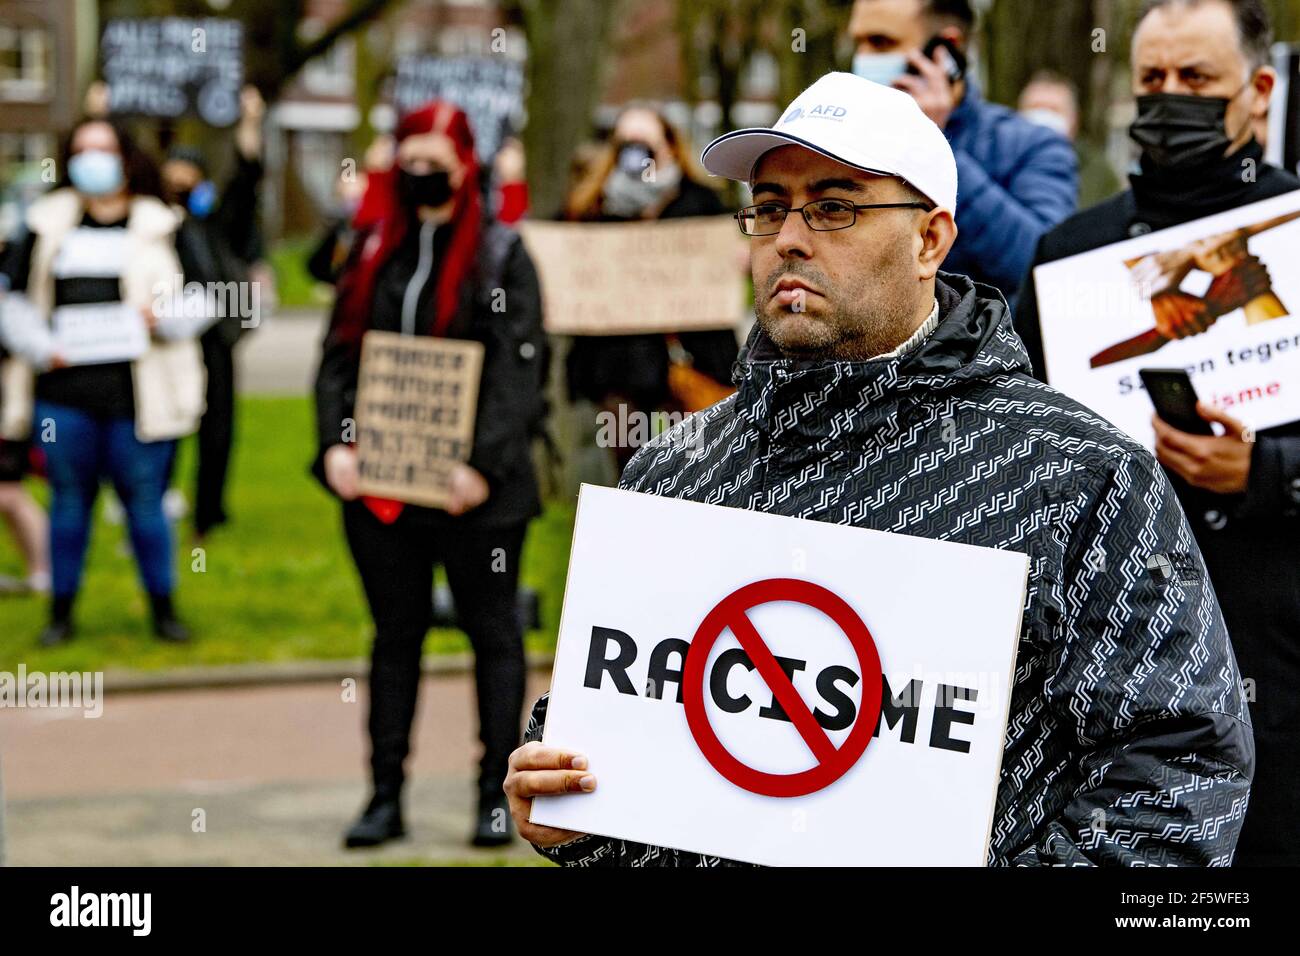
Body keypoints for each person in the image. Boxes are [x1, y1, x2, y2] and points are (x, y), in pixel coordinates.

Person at [506, 71, 1254, 867]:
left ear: (929, 240)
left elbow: (1179, 767)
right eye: (768, 208)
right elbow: (638, 772)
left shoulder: (1082, 476)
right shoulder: (676, 474)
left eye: (834, 207)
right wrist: (581, 816)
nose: (790, 237)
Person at [1014, 0, 1299, 866]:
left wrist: (1266, 471)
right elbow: (1016, 439)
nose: (1170, 97)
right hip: (1111, 652)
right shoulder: (1069, 255)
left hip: (1277, 642)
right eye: (1153, 81)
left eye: (1197, 80)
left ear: (1258, 90)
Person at [313, 100, 547, 849]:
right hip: (382, 490)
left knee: (494, 634)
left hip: (479, 496)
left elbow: (522, 369)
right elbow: (338, 357)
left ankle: (492, 795)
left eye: (431, 162)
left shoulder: (501, 254)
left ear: (463, 166)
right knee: (394, 637)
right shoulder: (372, 244)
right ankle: (384, 795)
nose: (417, 174)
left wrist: (480, 465)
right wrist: (334, 448)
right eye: (403, 160)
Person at [0, 118, 211, 645]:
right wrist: (41, 346)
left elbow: (207, 295)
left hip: (140, 397)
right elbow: (15, 300)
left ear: (126, 159)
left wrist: (163, 319)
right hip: (63, 397)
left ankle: (163, 609)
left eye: (103, 150)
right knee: (69, 503)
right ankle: (61, 612)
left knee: (146, 502)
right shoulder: (45, 224)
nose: (91, 161)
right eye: (81, 151)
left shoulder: (164, 223)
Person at [848, 0, 1078, 306]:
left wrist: (935, 142)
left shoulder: (1031, 145)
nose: (863, 58)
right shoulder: (841, 142)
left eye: (881, 42)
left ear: (945, 48)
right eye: (857, 42)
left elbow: (1042, 264)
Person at [564, 105, 739, 473]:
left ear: (670, 148)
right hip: (617, 367)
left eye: (646, 143)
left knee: (692, 467)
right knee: (626, 466)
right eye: (627, 143)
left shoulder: (702, 204)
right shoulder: (590, 207)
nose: (636, 152)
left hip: (691, 360)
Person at [160, 86, 268, 541]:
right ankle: (155, 507)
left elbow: (246, 181)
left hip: (213, 339)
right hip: (166, 339)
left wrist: (250, 124)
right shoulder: (152, 225)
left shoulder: (216, 225)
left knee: (218, 428)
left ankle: (208, 513)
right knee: (163, 425)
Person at [1017, 70, 1123, 208]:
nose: (1043, 117)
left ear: (1074, 120)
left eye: (1053, 110)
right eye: (1036, 107)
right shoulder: (998, 164)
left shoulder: (1098, 173)